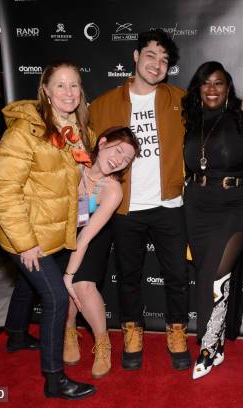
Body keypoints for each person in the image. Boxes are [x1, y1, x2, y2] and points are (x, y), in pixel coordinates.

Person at [88, 29, 243, 372]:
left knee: (177, 275)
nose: (157, 64)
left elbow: (216, 107)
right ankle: (132, 332)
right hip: (124, 205)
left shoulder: (182, 100)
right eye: (151, 56)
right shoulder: (103, 105)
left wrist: (242, 103)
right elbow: (89, 153)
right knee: (129, 275)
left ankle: (177, 332)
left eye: (165, 60)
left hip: (171, 203)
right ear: (136, 57)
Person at [0, 60, 96, 399]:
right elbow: (5, 192)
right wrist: (26, 244)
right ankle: (55, 380)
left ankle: (17, 335)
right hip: (24, 234)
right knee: (54, 295)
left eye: (75, 85)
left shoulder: (74, 131)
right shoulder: (24, 131)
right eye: (61, 85)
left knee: (27, 284)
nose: (69, 92)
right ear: (46, 91)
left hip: (51, 230)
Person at [182, 61, 243, 379]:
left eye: (219, 83)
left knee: (217, 273)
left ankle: (209, 344)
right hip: (198, 204)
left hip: (236, 204)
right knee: (205, 275)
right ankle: (215, 342)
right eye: (206, 83)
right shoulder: (190, 120)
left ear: (228, 87)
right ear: (198, 88)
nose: (212, 89)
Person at [62, 126, 139, 379]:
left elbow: (84, 236)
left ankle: (102, 343)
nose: (119, 160)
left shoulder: (112, 189)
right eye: (118, 150)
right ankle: (69, 329)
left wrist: (70, 272)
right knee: (63, 287)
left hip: (92, 235)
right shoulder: (73, 162)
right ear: (103, 142)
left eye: (126, 159)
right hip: (61, 230)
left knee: (81, 283)